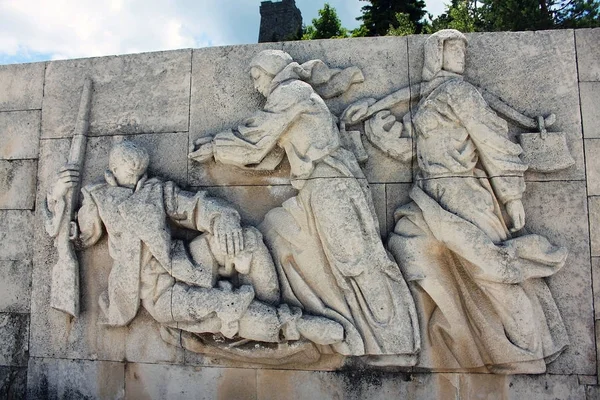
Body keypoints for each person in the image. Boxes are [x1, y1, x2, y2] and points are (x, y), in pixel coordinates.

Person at [343, 29, 569, 373]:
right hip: (428, 196)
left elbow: (492, 141)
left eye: (463, 49)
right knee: (407, 247)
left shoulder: (460, 92)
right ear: (436, 54)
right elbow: (420, 154)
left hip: (466, 195)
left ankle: (527, 349)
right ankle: (439, 342)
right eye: (453, 49)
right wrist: (384, 138)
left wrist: (511, 196)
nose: (461, 55)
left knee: (492, 272)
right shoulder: (430, 98)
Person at [189, 50, 420, 366]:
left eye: (257, 76)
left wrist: (217, 146)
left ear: (271, 72)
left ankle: (396, 342)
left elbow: (257, 137)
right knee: (277, 232)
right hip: (314, 186)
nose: (256, 86)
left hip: (329, 181)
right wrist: (223, 155)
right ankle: (320, 324)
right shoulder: (292, 95)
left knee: (356, 260)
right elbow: (268, 154)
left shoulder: (291, 91)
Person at [44, 141, 344, 361]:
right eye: (129, 166)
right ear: (113, 169)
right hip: (158, 293)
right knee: (222, 304)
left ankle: (271, 312)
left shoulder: (156, 190)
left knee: (247, 239)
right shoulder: (99, 198)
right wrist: (57, 197)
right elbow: (79, 238)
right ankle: (292, 325)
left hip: (186, 260)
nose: (136, 170)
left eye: (139, 166)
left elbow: (195, 206)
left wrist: (222, 219)